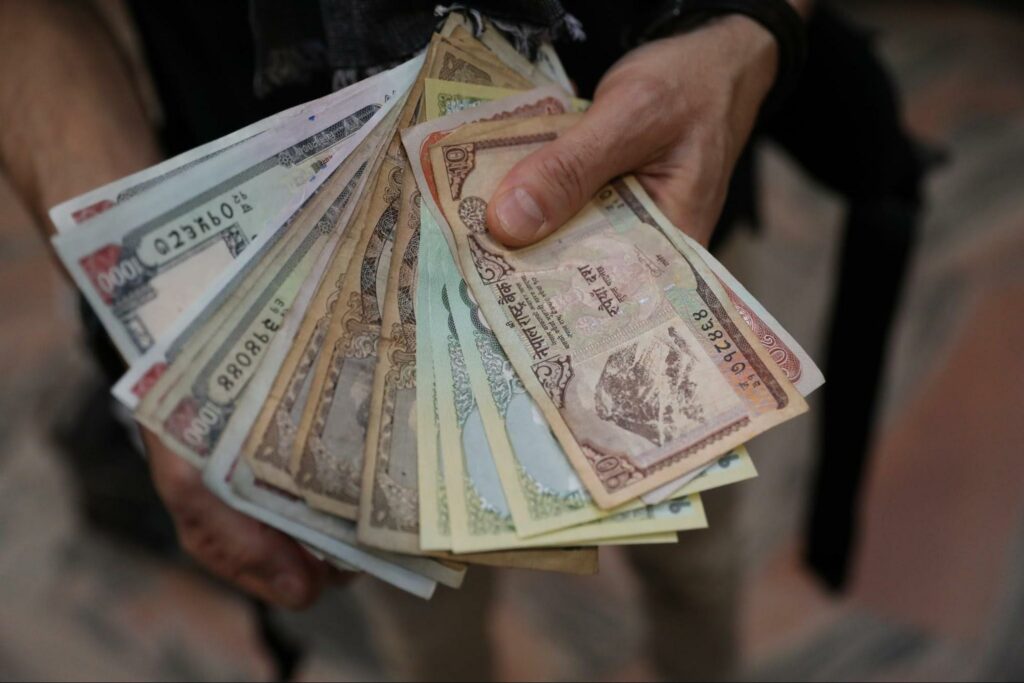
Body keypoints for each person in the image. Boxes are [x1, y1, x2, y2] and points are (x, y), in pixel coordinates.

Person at [1, 1, 922, 680]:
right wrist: (158, 330)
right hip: (303, 322)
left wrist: (755, 32)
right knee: (424, 629)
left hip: (653, 207)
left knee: (698, 560)